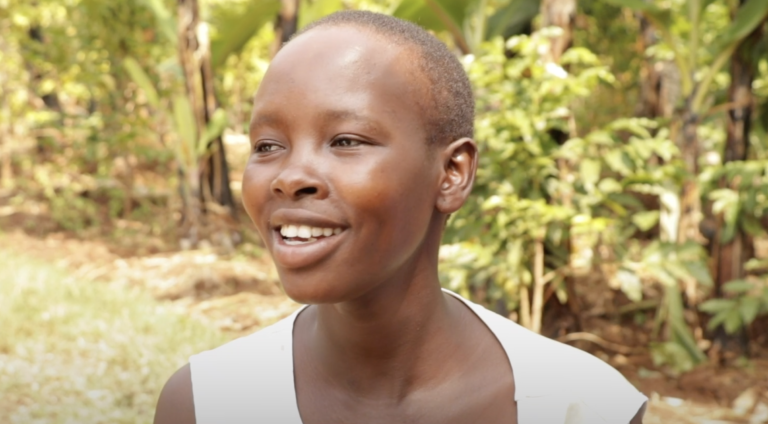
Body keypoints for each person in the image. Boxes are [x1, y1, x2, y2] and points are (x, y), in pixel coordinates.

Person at [154, 10, 647, 424]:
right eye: (267, 146)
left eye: (345, 140)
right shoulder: (207, 404)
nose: (289, 177)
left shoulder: (583, 406)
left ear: (452, 173)